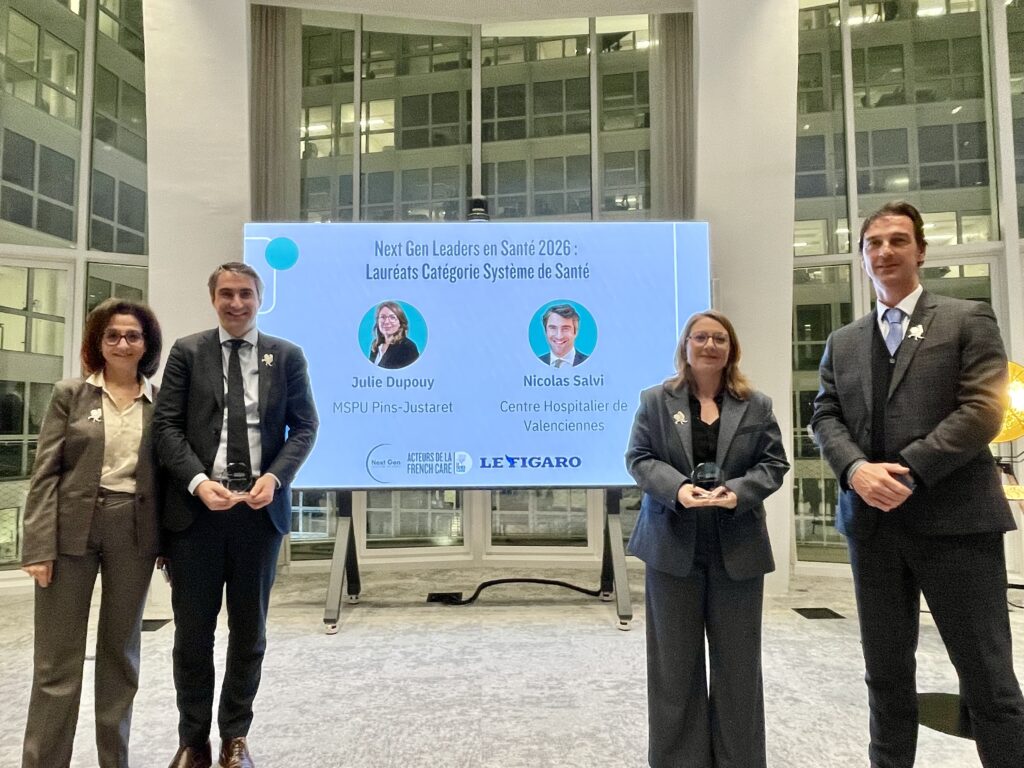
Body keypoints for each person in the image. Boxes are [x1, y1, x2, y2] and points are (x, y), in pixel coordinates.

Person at [810, 200, 1024, 768]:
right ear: (862, 257)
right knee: (885, 678)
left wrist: (907, 469)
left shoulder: (966, 318)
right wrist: (856, 470)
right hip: (873, 529)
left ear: (921, 251)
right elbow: (824, 415)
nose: (884, 251)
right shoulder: (843, 341)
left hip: (956, 525)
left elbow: (984, 409)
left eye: (898, 240)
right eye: (873, 243)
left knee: (988, 681)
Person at [154, 262, 318, 768]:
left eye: (245, 293)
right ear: (213, 299)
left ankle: (234, 738)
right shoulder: (187, 352)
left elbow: (305, 427)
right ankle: (193, 741)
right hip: (196, 517)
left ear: (259, 298)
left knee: (249, 635)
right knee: (192, 636)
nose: (236, 303)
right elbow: (166, 427)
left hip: (257, 516)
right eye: (226, 294)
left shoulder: (285, 356)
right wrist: (198, 482)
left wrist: (276, 477)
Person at [626, 310, 789, 768]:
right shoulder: (656, 400)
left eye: (720, 338)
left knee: (739, 668)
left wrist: (737, 493)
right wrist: (678, 489)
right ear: (686, 346)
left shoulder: (756, 404)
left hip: (737, 549)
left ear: (731, 349)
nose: (710, 345)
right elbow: (639, 458)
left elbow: (774, 464)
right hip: (671, 547)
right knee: (673, 667)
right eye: (701, 337)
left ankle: (739, 760)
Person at [21, 298, 163, 768]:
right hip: (70, 530)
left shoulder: (160, 401)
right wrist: (38, 546)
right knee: (56, 661)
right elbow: (45, 474)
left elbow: (166, 477)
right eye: (113, 336)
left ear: (146, 344)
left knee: (121, 655)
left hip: (133, 531)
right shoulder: (70, 394)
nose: (123, 344)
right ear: (98, 343)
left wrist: (169, 545)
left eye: (133, 336)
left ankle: (114, 760)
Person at [368, 300, 419, 369]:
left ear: (400, 323)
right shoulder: (375, 345)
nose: (386, 322)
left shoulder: (408, 347)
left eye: (392, 317)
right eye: (383, 317)